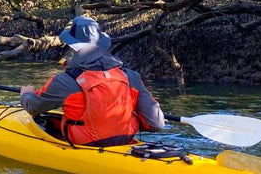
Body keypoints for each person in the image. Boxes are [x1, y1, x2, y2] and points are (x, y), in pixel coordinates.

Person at [20, 16, 164, 147]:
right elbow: (156, 123)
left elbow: (33, 107)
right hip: (126, 141)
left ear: (72, 46)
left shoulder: (64, 81)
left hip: (84, 143)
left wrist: (26, 95)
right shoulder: (131, 76)